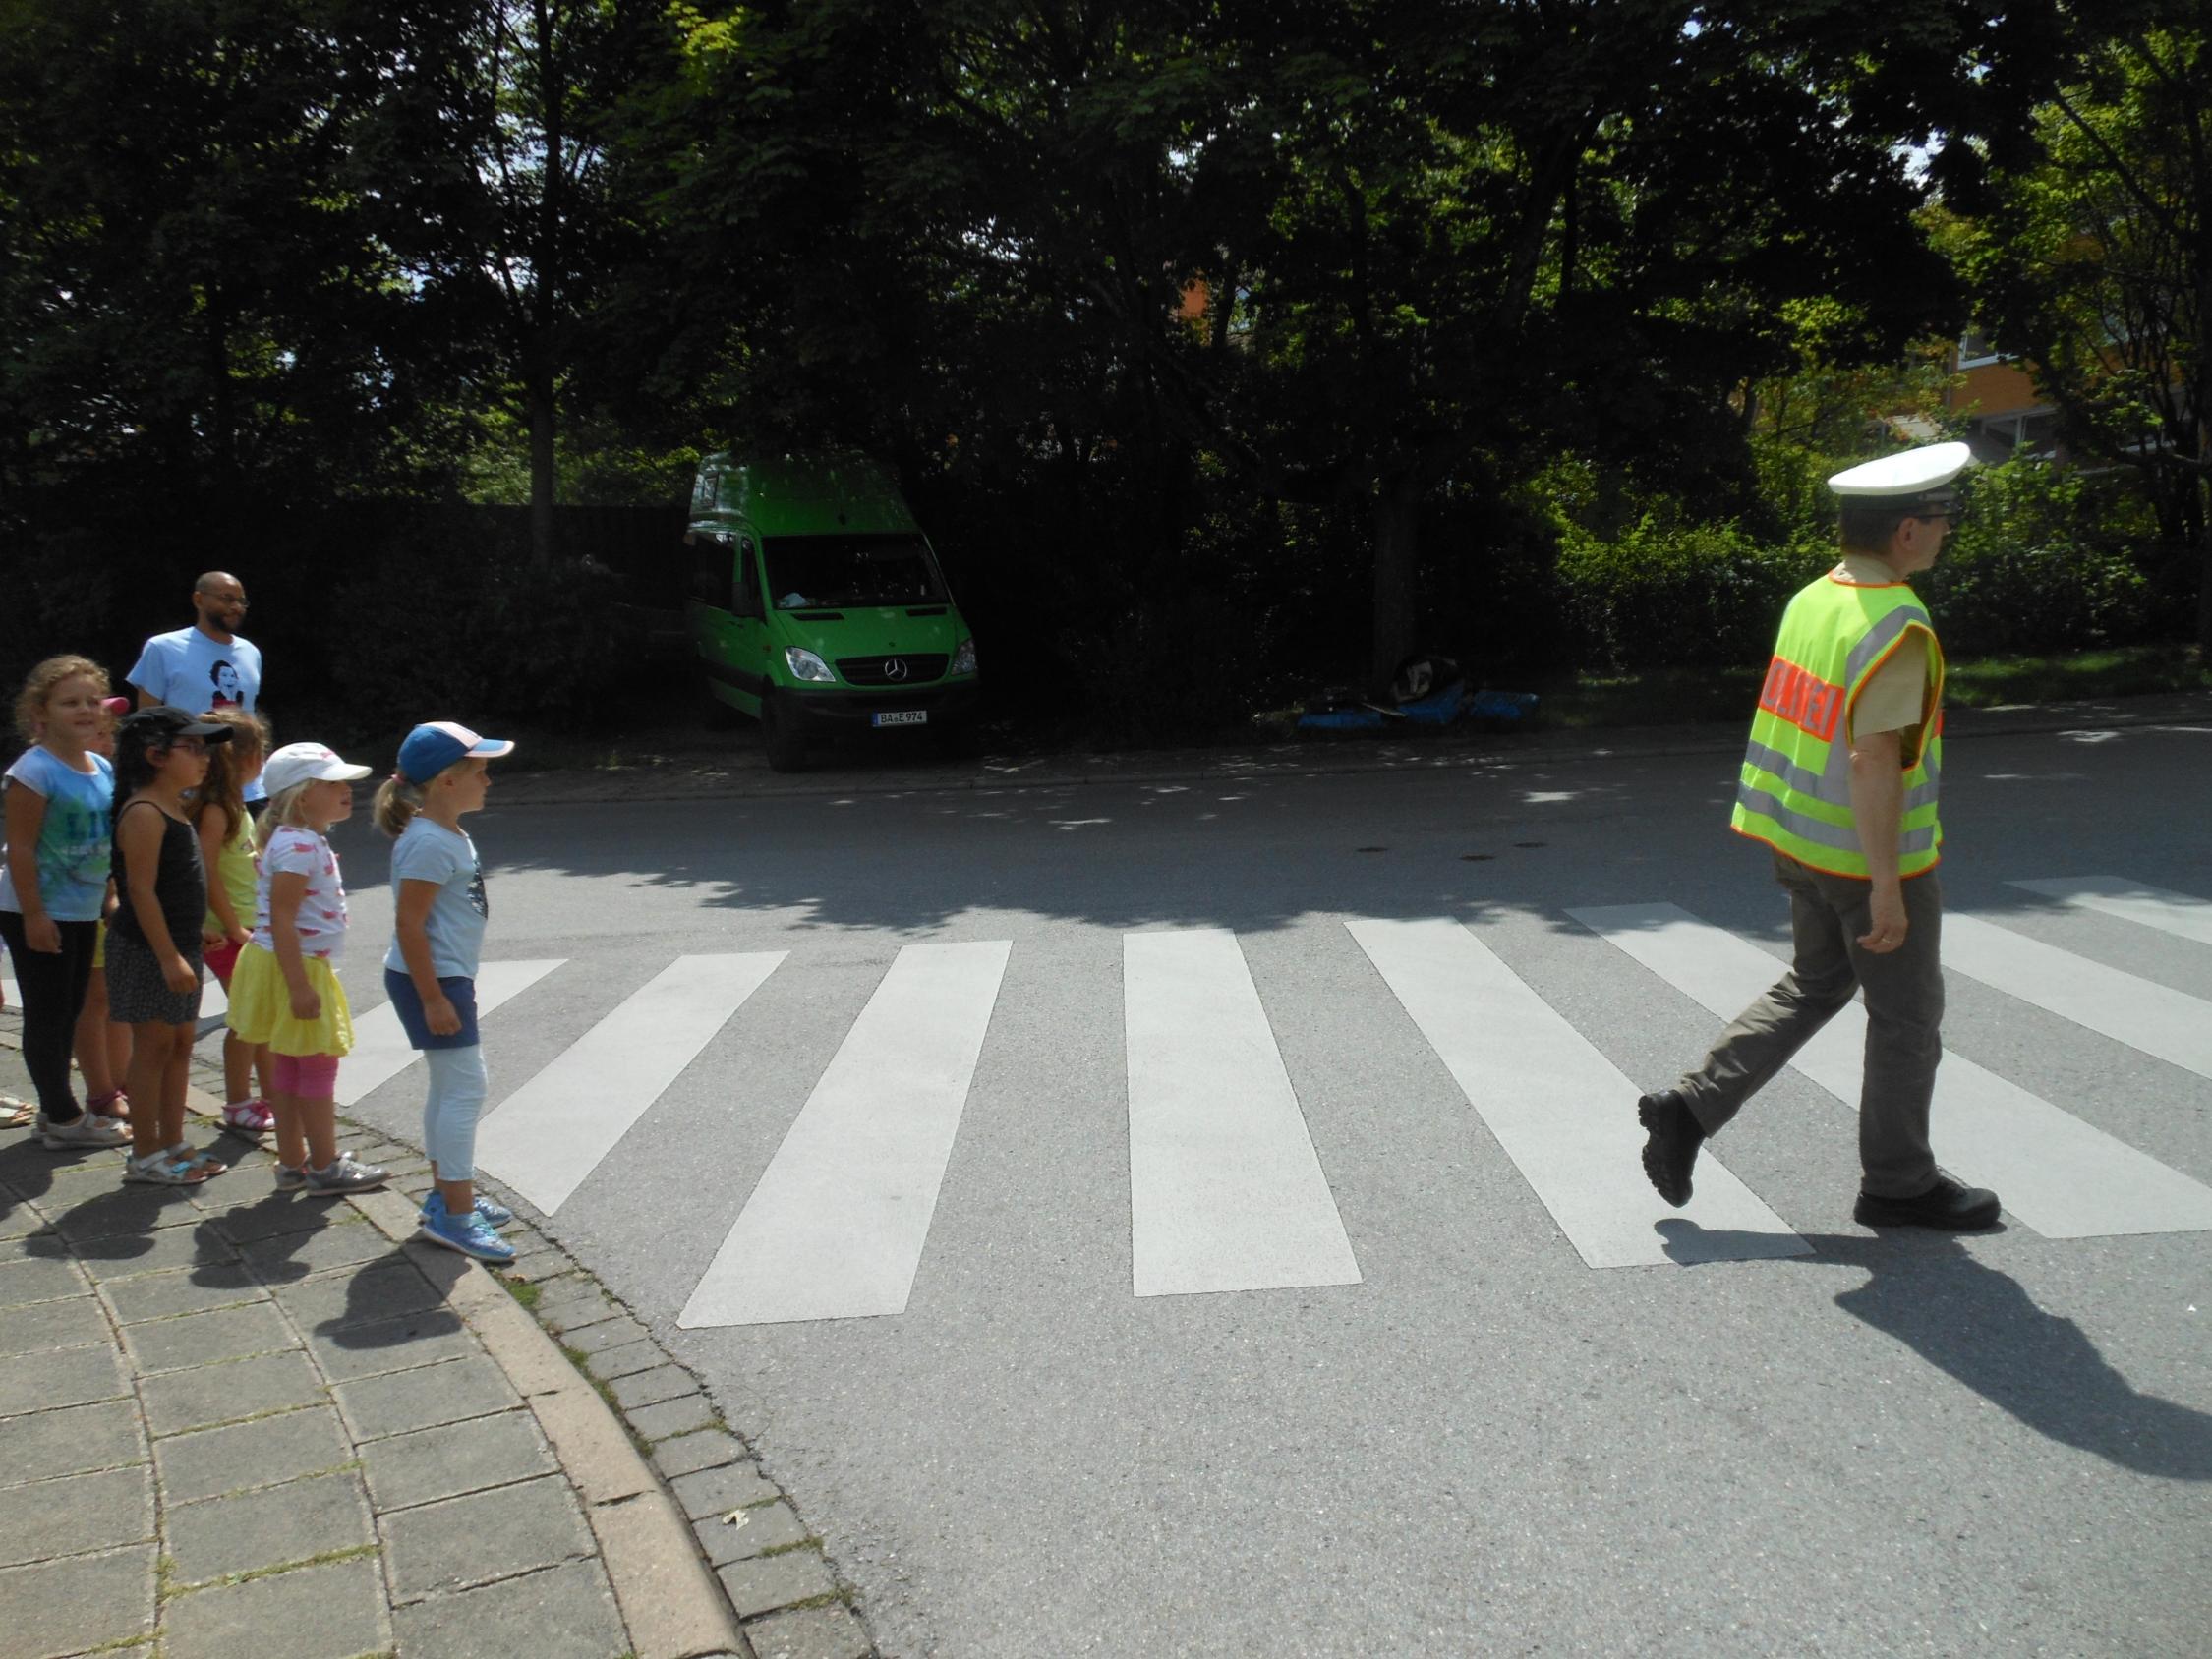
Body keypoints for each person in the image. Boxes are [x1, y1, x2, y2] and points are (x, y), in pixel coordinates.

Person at [1636, 440, 2001, 1231]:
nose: (1947, 531)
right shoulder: (1897, 626)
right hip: (1861, 858)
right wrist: (1885, 889)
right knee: (1906, 1021)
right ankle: (1899, 1183)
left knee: (1815, 983)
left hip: (1798, 842)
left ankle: (1689, 1111)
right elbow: (1875, 762)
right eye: (1942, 518)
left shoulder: (1815, 598)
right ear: (1907, 530)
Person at [377, 721, 518, 1262]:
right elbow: (410, 926)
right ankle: (457, 1215)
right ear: (445, 782)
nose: (488, 780)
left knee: (449, 1089)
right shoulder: (429, 843)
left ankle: (448, 1197)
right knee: (465, 1090)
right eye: (479, 771)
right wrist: (434, 997)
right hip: (431, 979)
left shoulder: (445, 832)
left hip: (441, 975)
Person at [223, 742, 387, 1194]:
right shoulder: (299, 846)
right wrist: (299, 986)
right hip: (293, 967)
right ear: (299, 795)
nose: (345, 791)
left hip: (282, 963)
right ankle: (325, 1165)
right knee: (316, 1069)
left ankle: (295, 1161)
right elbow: (283, 917)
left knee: (290, 1069)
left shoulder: (296, 839)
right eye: (331, 784)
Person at [0, 656, 129, 1150]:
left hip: (82, 908)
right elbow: (22, 849)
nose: (84, 710)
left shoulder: (98, 765)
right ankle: (61, 1117)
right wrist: (34, 914)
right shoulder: (32, 771)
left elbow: (104, 838)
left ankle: (61, 1111)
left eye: (92, 701)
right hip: (36, 911)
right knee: (48, 1012)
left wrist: (110, 894)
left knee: (72, 1007)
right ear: (41, 712)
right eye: (69, 702)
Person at [107, 707, 235, 1184]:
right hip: (148, 952)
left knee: (180, 1043)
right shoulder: (143, 812)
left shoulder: (173, 806)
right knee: (153, 1046)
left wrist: (193, 932)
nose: (205, 758)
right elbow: (139, 891)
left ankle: (172, 1139)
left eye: (206, 749)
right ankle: (144, 1153)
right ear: (156, 755)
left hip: (178, 945)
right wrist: (168, 955)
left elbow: (171, 887)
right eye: (194, 748)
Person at [193, 708, 274, 1133]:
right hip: (230, 935)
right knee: (245, 1020)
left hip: (247, 928)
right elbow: (205, 869)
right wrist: (232, 925)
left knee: (259, 1018)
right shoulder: (216, 810)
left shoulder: (236, 805)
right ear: (241, 757)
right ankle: (238, 1103)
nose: (264, 758)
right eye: (260, 750)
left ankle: (270, 1095)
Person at [127, 571, 266, 811]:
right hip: (192, 787)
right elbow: (148, 724)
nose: (236, 607)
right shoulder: (163, 648)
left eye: (241, 601)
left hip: (246, 788)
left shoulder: (250, 652)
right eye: (227, 598)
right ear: (198, 599)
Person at [74, 695, 136, 1123]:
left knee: (116, 997)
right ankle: (101, 1092)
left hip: (112, 901)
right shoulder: (53, 776)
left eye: (110, 724)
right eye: (96, 724)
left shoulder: (111, 774)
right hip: (81, 903)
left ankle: (123, 1082)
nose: (105, 731)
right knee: (93, 999)